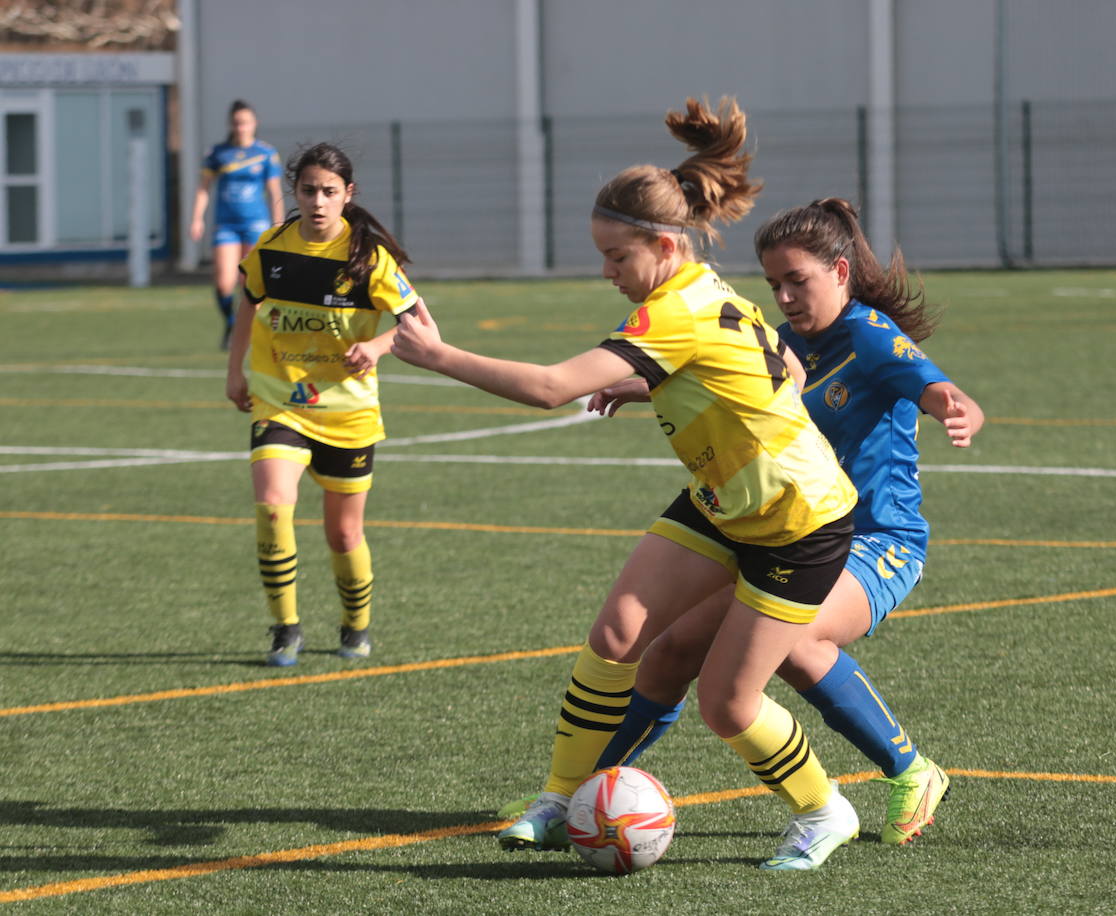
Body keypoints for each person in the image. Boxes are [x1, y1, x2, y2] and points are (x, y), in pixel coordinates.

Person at [392, 97, 863, 871]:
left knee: (728, 704)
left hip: (797, 523)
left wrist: (440, 357)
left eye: (617, 257)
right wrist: (655, 386)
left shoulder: (673, 312)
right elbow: (786, 367)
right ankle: (557, 798)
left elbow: (551, 387)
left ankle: (823, 809)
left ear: (661, 243)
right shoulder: (704, 290)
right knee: (617, 634)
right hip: (726, 504)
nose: (607, 272)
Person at [586, 197, 984, 847]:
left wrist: (953, 408)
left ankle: (913, 770)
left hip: (876, 541)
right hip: (788, 533)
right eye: (774, 284)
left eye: (797, 281)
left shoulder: (872, 337)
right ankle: (586, 787)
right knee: (673, 650)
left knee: (796, 642)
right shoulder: (785, 341)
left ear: (840, 271)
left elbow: (939, 389)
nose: (785, 296)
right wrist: (642, 383)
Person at [224, 142, 418, 667]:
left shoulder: (368, 259)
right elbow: (248, 301)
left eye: (329, 191)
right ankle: (285, 628)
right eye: (308, 190)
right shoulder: (273, 248)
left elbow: (421, 324)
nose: (318, 200)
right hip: (279, 403)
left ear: (347, 195)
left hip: (347, 414)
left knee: (344, 532)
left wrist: (377, 347)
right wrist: (234, 369)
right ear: (295, 192)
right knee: (271, 507)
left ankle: (356, 625)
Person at [192, 100, 285, 349]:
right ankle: (231, 322)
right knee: (224, 281)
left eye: (245, 122)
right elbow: (204, 188)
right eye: (236, 123)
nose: (241, 127)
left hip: (256, 224)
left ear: (254, 124)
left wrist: (279, 225)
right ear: (230, 125)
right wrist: (197, 218)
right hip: (226, 225)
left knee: (251, 282)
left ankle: (255, 331)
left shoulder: (265, 153)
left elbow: (274, 190)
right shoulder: (217, 153)